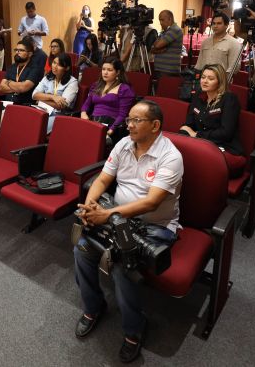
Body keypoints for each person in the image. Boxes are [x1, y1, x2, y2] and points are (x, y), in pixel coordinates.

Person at [73, 100, 183, 363]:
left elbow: (151, 202)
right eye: (129, 120)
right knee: (82, 247)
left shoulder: (171, 157)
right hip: (116, 217)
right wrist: (90, 207)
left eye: (136, 121)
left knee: (124, 268)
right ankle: (93, 307)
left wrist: (107, 214)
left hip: (154, 225)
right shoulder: (123, 144)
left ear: (155, 126)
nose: (129, 125)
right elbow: (102, 179)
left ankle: (134, 330)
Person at [178, 64, 245, 172]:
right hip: (201, 143)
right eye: (203, 77)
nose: (204, 81)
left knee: (194, 165)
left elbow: (226, 133)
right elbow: (189, 125)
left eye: (210, 78)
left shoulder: (229, 99)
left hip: (225, 147)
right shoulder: (198, 96)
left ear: (219, 81)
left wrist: (197, 135)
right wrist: (184, 132)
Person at [81, 57, 136, 141]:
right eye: (103, 69)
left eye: (110, 70)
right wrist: (83, 113)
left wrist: (110, 130)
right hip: (93, 121)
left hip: (112, 125)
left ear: (117, 72)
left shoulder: (124, 89)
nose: (105, 73)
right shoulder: (96, 85)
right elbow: (86, 104)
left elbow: (123, 115)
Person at [32, 53, 78, 133]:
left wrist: (41, 99)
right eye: (54, 63)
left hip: (59, 115)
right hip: (42, 110)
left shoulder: (72, 82)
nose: (55, 67)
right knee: (26, 124)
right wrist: (53, 97)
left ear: (66, 68)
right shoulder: (48, 77)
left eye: (59, 65)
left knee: (37, 131)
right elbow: (34, 95)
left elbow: (61, 105)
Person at [0, 37, 43, 105]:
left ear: (30, 54)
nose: (17, 52)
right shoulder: (12, 67)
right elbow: (1, 87)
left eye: (21, 50)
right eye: (16, 50)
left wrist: (8, 82)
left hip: (24, 105)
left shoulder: (35, 68)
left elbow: (24, 87)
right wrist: (18, 87)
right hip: (7, 103)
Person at [150, 10, 183, 78]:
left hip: (169, 70)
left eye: (162, 20)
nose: (160, 23)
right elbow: (152, 48)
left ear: (170, 19)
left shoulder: (175, 30)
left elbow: (157, 45)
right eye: (160, 20)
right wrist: (157, 49)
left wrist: (156, 48)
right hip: (161, 69)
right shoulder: (165, 31)